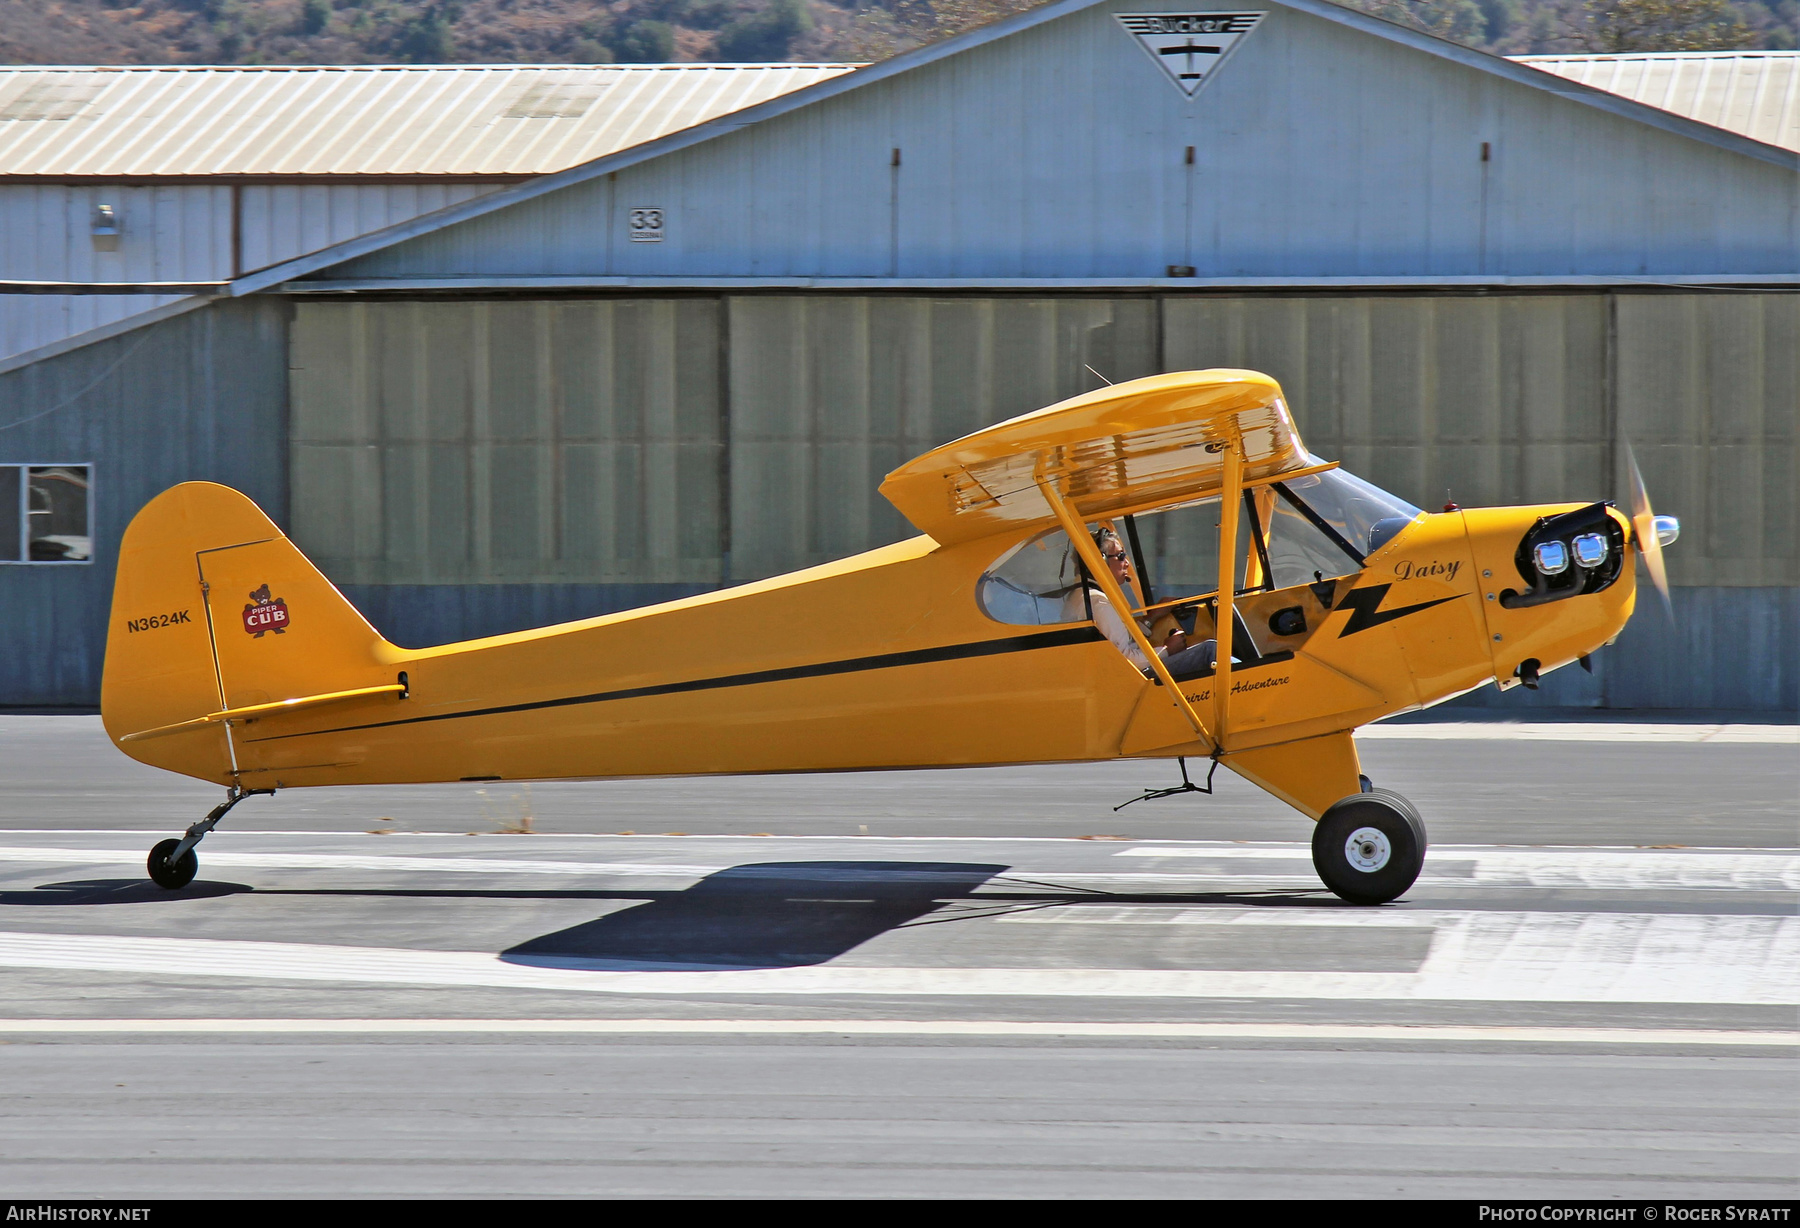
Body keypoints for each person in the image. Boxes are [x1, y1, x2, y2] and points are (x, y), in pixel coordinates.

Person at [1066, 527, 1218, 677]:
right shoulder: (1098, 603)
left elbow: (1122, 645)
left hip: (1114, 678)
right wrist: (1167, 650)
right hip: (1128, 681)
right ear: (1100, 561)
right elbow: (1126, 661)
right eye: (1120, 556)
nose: (1126, 563)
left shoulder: (1083, 596)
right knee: (1210, 650)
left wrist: (1151, 618)